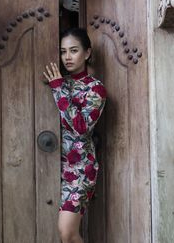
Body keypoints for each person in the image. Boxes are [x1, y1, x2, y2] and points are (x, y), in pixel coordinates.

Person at [43, 27, 107, 243]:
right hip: (50, 164)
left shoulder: (95, 89)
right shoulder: (58, 81)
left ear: (87, 53)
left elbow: (81, 128)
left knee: (67, 232)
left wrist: (59, 88)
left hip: (79, 170)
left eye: (73, 50)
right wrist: (59, 85)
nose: (67, 57)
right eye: (63, 52)